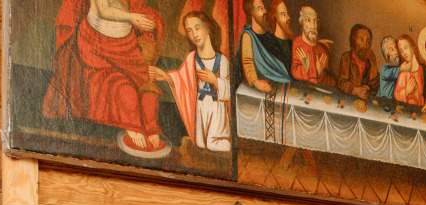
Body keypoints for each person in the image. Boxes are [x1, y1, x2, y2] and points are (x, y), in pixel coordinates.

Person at [43, 0, 167, 156]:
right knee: (123, 88)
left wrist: (148, 19)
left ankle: (150, 127)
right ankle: (133, 125)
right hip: (96, 48)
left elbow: (138, 7)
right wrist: (131, 17)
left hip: (127, 46)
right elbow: (104, 10)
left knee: (147, 86)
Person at [150, 10, 230, 152]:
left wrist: (215, 81)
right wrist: (166, 77)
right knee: (199, 143)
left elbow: (229, 91)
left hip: (216, 108)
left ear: (207, 27)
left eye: (197, 28)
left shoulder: (221, 60)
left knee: (213, 143)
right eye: (189, 31)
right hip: (199, 107)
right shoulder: (191, 58)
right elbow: (182, 82)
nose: (194, 34)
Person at [237, 0, 289, 89]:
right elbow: (247, 61)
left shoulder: (268, 34)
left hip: (280, 81)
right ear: (251, 13)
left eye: (264, 8)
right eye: (260, 9)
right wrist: (255, 82)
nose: (265, 11)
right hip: (263, 84)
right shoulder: (248, 35)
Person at [290, 4, 333, 86]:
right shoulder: (296, 44)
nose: (313, 26)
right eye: (308, 20)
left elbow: (333, 82)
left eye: (315, 21)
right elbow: (293, 73)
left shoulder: (323, 49)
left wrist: (320, 73)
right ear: (301, 23)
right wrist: (306, 68)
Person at [335, 23, 378, 100]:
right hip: (348, 100)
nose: (365, 45)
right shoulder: (347, 57)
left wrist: (373, 63)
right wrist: (355, 90)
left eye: (368, 42)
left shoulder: (369, 63)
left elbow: (375, 88)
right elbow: (342, 83)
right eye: (361, 40)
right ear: (353, 40)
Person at [394, 35, 425, 107]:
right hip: (405, 107)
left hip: (418, 107)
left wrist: (417, 96)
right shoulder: (403, 71)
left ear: (413, 47)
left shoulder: (421, 69)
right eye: (401, 51)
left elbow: (424, 94)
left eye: (405, 48)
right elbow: (396, 94)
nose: (404, 53)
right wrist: (406, 91)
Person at [377, 35, 401, 101]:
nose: (396, 52)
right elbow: (401, 69)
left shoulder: (398, 67)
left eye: (396, 48)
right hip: (383, 103)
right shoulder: (385, 69)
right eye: (392, 49)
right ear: (387, 55)